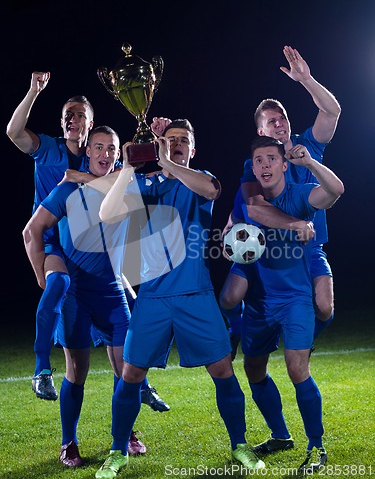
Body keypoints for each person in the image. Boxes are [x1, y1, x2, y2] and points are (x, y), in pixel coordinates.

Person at [95, 119, 266, 478]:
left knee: (222, 369)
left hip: (195, 294)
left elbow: (214, 190)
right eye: (169, 140)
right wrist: (127, 167)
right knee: (130, 374)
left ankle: (240, 445)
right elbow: (106, 214)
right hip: (153, 297)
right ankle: (117, 450)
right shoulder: (142, 183)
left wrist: (169, 163)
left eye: (183, 141)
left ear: (192, 149)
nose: (175, 144)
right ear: (159, 143)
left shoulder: (198, 178)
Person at [6, 72, 170, 412]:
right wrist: (34, 90)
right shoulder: (49, 149)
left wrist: (157, 140)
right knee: (59, 284)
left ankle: (141, 388)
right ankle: (41, 370)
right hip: (54, 240)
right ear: (61, 122)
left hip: (92, 248)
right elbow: (13, 132)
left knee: (134, 301)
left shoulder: (97, 157)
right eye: (68, 112)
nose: (73, 117)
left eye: (80, 113)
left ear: (92, 123)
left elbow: (135, 173)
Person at [22, 126, 150, 466]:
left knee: (128, 370)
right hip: (77, 294)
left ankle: (126, 435)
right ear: (88, 152)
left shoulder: (125, 187)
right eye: (99, 147)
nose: (105, 154)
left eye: (111, 148)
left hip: (112, 293)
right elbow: (31, 231)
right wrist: (40, 276)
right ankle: (68, 443)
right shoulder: (66, 190)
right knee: (76, 371)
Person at [220, 45, 342, 359]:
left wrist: (306, 80)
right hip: (269, 247)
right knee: (230, 298)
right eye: (271, 121)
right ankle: (236, 330)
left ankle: (303, 342)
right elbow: (255, 206)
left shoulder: (308, 146)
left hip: (308, 247)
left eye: (282, 118)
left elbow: (332, 112)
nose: (279, 123)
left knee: (325, 308)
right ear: (260, 131)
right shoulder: (256, 165)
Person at [232, 136, 344, 473]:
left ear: (284, 164)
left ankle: (316, 447)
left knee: (297, 369)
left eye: (271, 158)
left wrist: (309, 162)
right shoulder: (250, 198)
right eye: (258, 160)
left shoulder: (299, 194)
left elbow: (335, 190)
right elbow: (252, 214)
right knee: (253, 368)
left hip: (294, 299)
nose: (264, 165)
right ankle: (280, 435)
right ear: (252, 168)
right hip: (259, 302)